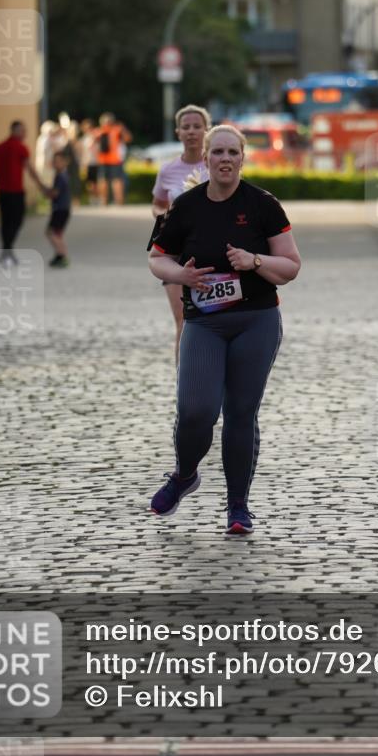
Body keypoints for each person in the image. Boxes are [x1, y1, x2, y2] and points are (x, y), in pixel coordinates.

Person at [148, 125, 301, 535]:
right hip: (205, 323)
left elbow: (290, 267)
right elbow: (156, 258)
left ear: (243, 158)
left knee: (239, 413)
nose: (225, 159)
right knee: (196, 410)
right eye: (218, 152)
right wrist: (181, 273)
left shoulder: (263, 205)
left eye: (233, 151)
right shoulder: (186, 206)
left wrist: (254, 261)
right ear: (207, 159)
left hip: (256, 320)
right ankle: (184, 475)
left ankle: (238, 507)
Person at [151, 104, 211, 362]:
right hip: (177, 252)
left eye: (197, 126)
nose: (191, 132)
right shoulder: (167, 170)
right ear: (178, 132)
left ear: (206, 131)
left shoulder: (218, 163)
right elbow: (157, 204)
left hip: (211, 250)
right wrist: (163, 217)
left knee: (213, 320)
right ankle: (184, 384)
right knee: (183, 320)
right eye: (186, 127)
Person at [0, 120, 49, 264]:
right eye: (22, 131)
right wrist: (41, 186)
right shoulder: (21, 148)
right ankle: (7, 249)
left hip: (3, 190)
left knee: (5, 221)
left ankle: (6, 250)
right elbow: (30, 169)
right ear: (14, 131)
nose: (25, 134)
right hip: (16, 190)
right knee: (16, 220)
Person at [97, 112, 132, 206]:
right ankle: (118, 202)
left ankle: (105, 201)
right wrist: (123, 128)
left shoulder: (99, 131)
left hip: (105, 160)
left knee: (105, 180)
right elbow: (128, 139)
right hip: (114, 160)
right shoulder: (117, 129)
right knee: (116, 181)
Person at [46, 152, 71, 268]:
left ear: (64, 162)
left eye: (59, 161)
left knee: (51, 233)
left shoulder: (61, 176)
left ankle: (63, 255)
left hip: (60, 209)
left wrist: (47, 192)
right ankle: (59, 255)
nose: (56, 164)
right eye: (55, 161)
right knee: (57, 234)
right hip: (62, 209)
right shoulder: (62, 175)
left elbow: (55, 193)